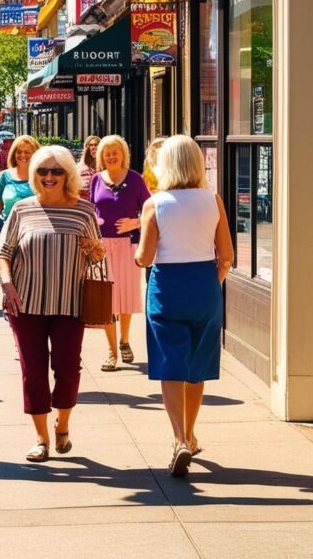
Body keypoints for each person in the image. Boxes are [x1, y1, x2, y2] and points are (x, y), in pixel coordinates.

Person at [0, 145, 105, 462]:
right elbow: (4, 254)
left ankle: (63, 425)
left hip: (69, 304)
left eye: (57, 171)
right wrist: (7, 286)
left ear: (68, 175)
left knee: (68, 369)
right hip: (26, 304)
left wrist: (93, 248)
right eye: (43, 171)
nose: (49, 176)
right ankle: (41, 438)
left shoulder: (82, 211)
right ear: (34, 175)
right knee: (33, 372)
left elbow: (98, 255)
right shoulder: (22, 209)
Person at [134, 135, 233, 477]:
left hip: (167, 288)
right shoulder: (212, 199)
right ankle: (190, 433)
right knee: (196, 365)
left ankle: (178, 439)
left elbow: (144, 257)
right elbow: (228, 256)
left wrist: (137, 252)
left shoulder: (155, 204)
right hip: (204, 286)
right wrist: (212, 282)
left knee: (170, 364)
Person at [89, 134, 151, 372]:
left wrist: (133, 223)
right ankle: (112, 351)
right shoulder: (96, 180)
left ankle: (125, 340)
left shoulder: (135, 179)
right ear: (101, 156)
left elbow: (150, 210)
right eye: (107, 153)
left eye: (115, 152)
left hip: (127, 245)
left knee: (125, 297)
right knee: (106, 300)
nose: (111, 156)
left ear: (123, 155)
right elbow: (91, 208)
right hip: (102, 247)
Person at [0, 134, 40, 252]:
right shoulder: (5, 176)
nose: (22, 155)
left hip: (35, 234)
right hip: (7, 233)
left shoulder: (41, 176)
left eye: (27, 152)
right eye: (19, 151)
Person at [76, 135, 101, 199]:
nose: (93, 147)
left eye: (96, 145)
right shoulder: (81, 166)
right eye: (91, 145)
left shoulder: (103, 163)